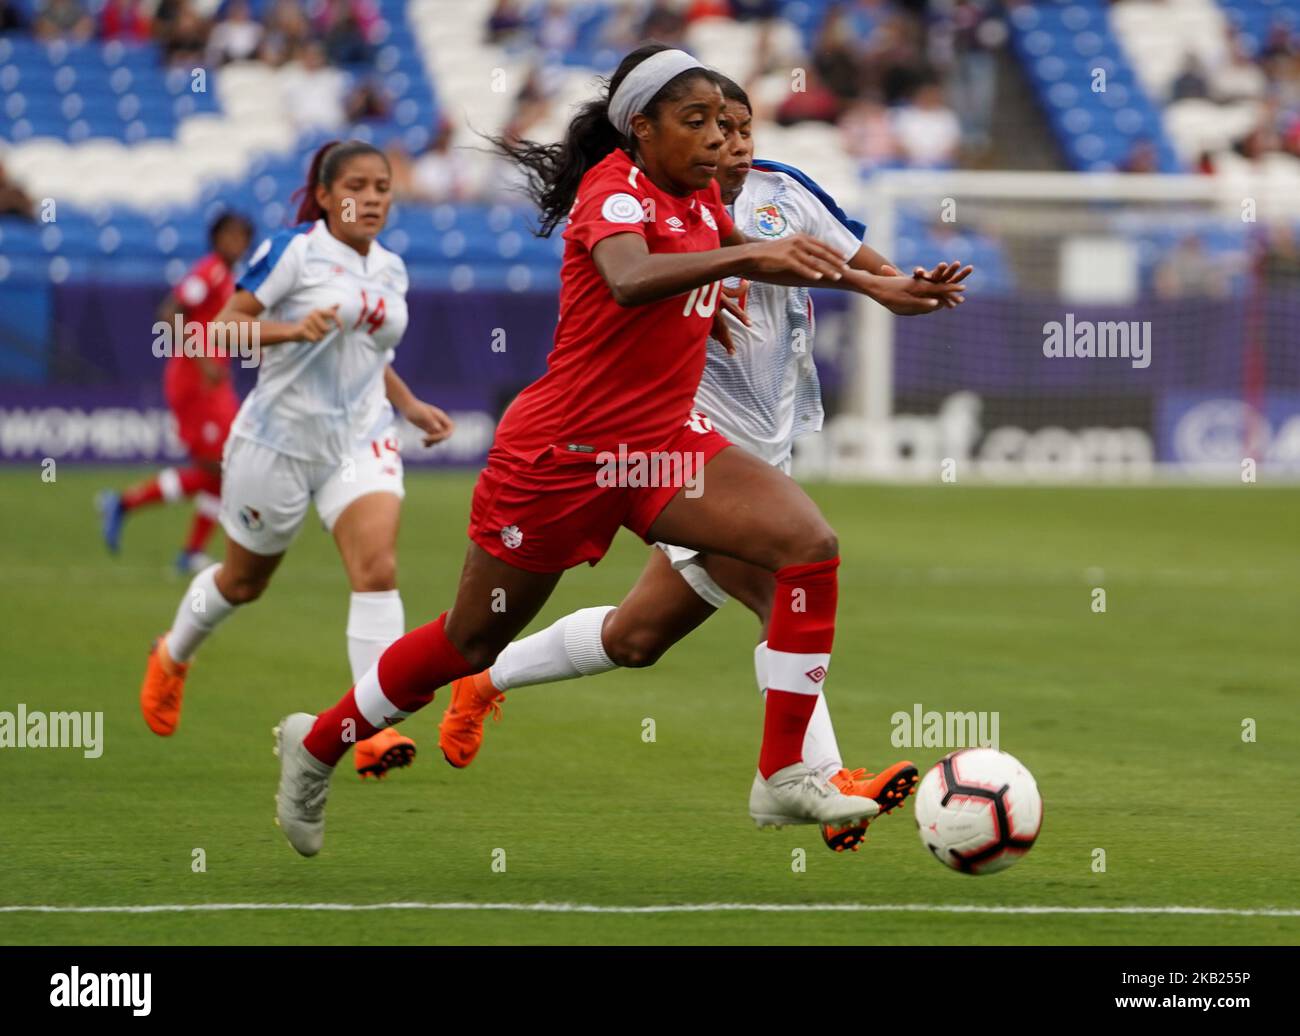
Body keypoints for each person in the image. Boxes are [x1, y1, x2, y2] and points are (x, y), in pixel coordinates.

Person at [271, 46, 965, 857]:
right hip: (562, 458)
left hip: (665, 453)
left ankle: (784, 775)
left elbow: (784, 256)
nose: (717, 139)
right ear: (642, 128)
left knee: (806, 549)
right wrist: (746, 256)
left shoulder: (705, 197)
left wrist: (883, 287)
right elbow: (632, 276)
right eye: (696, 121)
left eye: (726, 123)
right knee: (470, 640)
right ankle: (317, 744)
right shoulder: (613, 193)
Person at [137, 140, 454, 781]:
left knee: (377, 569)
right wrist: (289, 328)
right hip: (276, 443)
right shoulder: (293, 251)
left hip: (359, 439)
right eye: (356, 187)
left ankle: (369, 729)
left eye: (381, 188)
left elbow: (371, 351)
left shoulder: (391, 268)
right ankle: (172, 654)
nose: (369, 198)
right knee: (243, 584)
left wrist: (410, 404)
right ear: (326, 195)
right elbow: (218, 328)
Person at [98, 212, 255, 576]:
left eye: (244, 237)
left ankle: (149, 522)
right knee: (225, 466)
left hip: (214, 384)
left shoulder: (229, 276)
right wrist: (201, 359)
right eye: (232, 235)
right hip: (196, 383)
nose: (239, 243)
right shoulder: (210, 271)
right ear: (216, 237)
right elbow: (169, 311)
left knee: (227, 468)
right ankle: (129, 506)